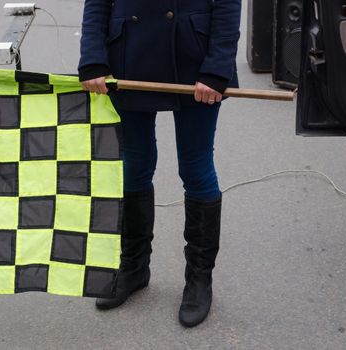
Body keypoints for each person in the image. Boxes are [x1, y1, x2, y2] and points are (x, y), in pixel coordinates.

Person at [77, 0, 241, 328]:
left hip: (195, 59)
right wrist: (93, 59)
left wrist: (217, 66)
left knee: (196, 168)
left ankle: (199, 280)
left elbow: (227, 4)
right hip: (127, 54)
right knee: (134, 164)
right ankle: (133, 268)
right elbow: (97, 3)